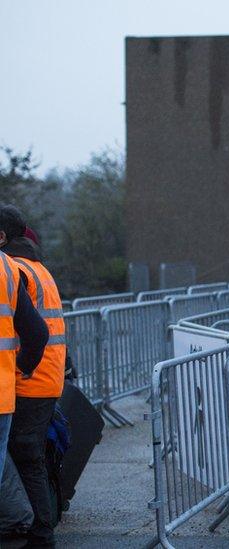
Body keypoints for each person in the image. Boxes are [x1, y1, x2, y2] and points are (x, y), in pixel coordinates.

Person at [0, 207, 65, 547]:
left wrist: (22, 367)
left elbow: (35, 332)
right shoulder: (37, 268)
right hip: (47, 378)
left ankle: (38, 532)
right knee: (31, 459)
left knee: (26, 461)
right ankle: (38, 529)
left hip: (29, 380)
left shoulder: (15, 270)